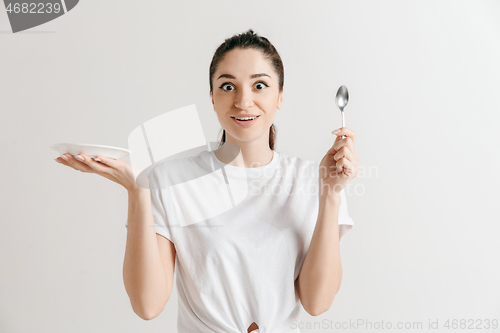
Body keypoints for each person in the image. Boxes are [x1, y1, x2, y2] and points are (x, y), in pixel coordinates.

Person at [54, 29, 359, 333]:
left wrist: (330, 194)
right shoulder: (171, 180)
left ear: (280, 96)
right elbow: (148, 305)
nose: (243, 101)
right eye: (228, 86)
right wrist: (138, 190)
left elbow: (317, 303)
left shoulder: (312, 180)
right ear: (212, 98)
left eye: (259, 85)